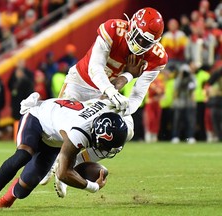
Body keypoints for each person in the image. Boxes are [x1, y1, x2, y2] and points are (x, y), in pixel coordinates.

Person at [41, 7, 168, 196]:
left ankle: (70, 163)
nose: (140, 44)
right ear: (131, 25)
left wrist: (123, 108)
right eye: (139, 37)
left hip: (109, 93)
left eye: (147, 42)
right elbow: (95, 68)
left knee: (127, 130)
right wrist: (118, 83)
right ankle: (45, 162)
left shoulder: (157, 56)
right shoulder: (112, 29)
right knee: (59, 131)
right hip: (81, 83)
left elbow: (137, 95)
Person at [0, 92, 134, 212]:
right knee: (23, 155)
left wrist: (126, 77)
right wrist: (93, 187)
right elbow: (62, 174)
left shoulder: (108, 109)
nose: (106, 150)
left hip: (54, 137)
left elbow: (113, 89)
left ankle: (8, 198)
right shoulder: (78, 133)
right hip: (38, 118)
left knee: (27, 185)